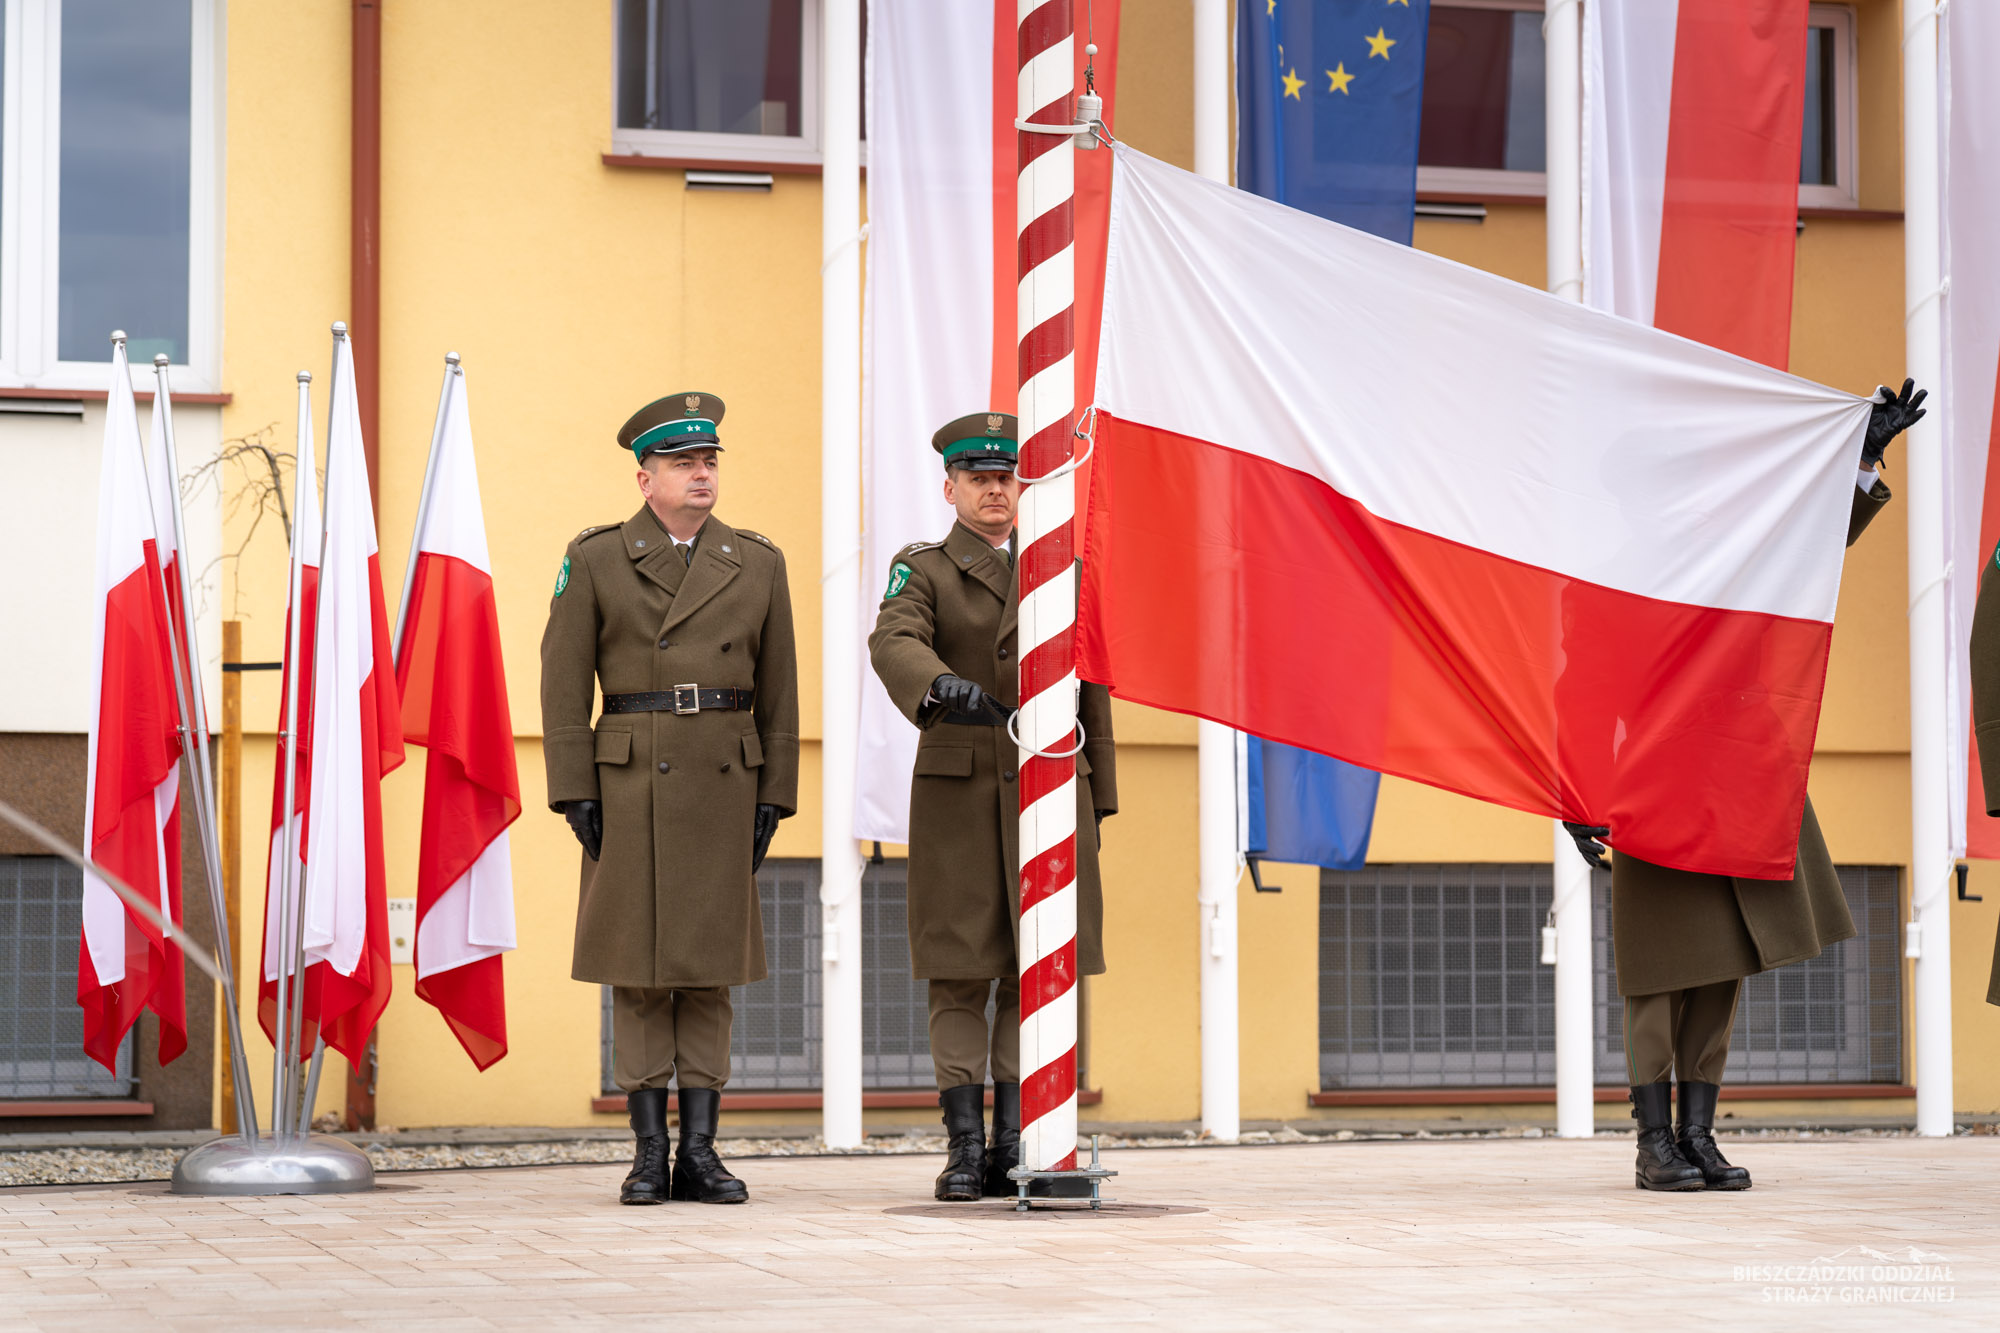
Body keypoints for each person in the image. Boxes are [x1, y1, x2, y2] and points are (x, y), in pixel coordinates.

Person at [1564, 379, 1927, 1192]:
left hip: (1740, 777)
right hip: (1656, 785)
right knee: (1658, 967)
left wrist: (1863, 457)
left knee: (1723, 955)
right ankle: (1654, 1142)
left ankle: (1698, 1133)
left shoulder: (1734, 559)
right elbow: (1579, 696)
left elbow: (1812, 542)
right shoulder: (1607, 583)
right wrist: (1577, 796)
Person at [540, 391, 798, 1206]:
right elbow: (561, 680)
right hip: (632, 780)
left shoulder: (757, 562)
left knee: (710, 972)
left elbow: (780, 689)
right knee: (641, 970)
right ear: (644, 477)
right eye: (684, 462)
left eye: (710, 460)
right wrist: (573, 789)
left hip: (725, 777)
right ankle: (650, 1154)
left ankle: (702, 1152)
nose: (702, 473)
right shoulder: (597, 558)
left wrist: (776, 793)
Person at [869, 410, 1117, 1202]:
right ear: (950, 488)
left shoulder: (1061, 570)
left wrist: (1100, 796)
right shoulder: (926, 568)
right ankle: (963, 1146)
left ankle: (1016, 1138)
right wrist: (939, 683)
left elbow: (1092, 685)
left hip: (1051, 787)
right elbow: (894, 639)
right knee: (959, 972)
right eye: (978, 478)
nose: (995, 491)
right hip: (962, 794)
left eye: (1005, 477)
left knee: (1030, 967)